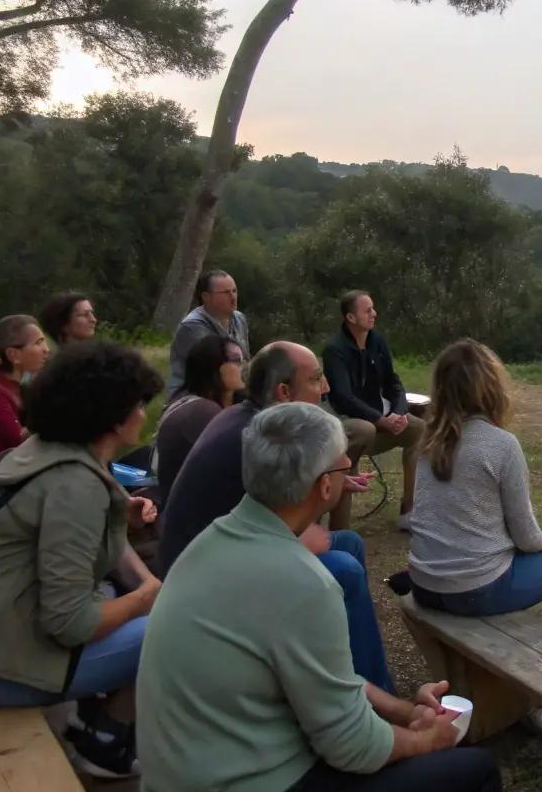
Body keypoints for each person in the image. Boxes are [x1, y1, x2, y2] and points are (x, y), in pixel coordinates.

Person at [137, 402, 503, 792]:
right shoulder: (302, 581)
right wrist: (426, 741)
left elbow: (321, 679)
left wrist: (407, 713)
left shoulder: (214, 541)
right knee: (475, 776)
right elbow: (353, 747)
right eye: (345, 464)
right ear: (326, 486)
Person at [0, 340, 165, 779]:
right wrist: (150, 599)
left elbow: (88, 551)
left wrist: (143, 573)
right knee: (169, 629)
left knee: (124, 595)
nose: (144, 415)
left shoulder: (43, 453)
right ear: (111, 415)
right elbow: (70, 622)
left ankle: (83, 709)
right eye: (139, 405)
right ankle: (101, 739)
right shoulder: (76, 485)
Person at [157, 341, 392, 691]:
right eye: (315, 379)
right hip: (205, 585)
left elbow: (266, 511)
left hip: (230, 557)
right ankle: (369, 695)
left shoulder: (253, 422)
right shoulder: (252, 440)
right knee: (344, 568)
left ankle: (336, 662)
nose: (325, 387)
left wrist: (336, 480)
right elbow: (262, 534)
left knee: (350, 544)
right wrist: (296, 542)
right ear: (284, 391)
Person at [408, 339, 542, 736]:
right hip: (474, 589)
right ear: (491, 387)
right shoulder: (500, 444)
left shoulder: (427, 442)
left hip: (425, 582)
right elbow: (528, 538)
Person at [322, 290, 423, 531]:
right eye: (367, 310)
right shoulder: (334, 349)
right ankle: (340, 530)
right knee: (364, 429)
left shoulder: (376, 341)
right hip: (348, 423)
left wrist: (397, 414)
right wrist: (380, 420)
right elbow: (344, 397)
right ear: (351, 317)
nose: (374, 314)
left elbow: (393, 382)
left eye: (373, 308)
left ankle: (409, 512)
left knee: (420, 430)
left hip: (379, 420)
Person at [152, 335, 245, 500]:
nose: (243, 366)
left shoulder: (191, 400)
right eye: (236, 360)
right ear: (213, 364)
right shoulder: (201, 412)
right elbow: (237, 469)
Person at [165, 270, 249, 401]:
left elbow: (244, 360)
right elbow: (215, 368)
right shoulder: (192, 327)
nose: (233, 297)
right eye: (226, 293)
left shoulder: (239, 319)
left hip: (227, 391)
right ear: (206, 297)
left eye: (234, 291)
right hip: (192, 397)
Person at [0, 314, 49, 451]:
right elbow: (16, 442)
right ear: (13, 355)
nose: (46, 349)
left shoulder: (18, 386)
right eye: (38, 343)